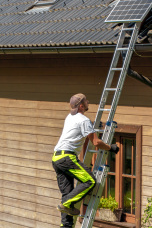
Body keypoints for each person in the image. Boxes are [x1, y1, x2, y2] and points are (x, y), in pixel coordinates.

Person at [52, 93, 119, 228]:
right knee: (90, 181)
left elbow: (80, 130)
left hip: (56, 157)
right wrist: (110, 147)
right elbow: (96, 142)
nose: (88, 102)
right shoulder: (83, 120)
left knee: (67, 192)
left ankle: (65, 225)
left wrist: (93, 127)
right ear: (82, 105)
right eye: (86, 101)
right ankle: (65, 204)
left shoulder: (70, 117)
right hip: (67, 157)